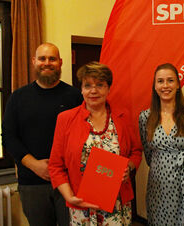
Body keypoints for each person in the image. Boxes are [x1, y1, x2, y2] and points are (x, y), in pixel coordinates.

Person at [48, 61, 142, 225]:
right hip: (81, 203)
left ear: (108, 88)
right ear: (81, 89)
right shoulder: (66, 119)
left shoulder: (122, 116)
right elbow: (55, 166)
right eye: (88, 85)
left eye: (100, 85)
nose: (93, 90)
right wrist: (69, 196)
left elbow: (136, 152)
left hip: (117, 203)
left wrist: (129, 167)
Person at [1, 43, 83, 226]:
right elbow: (8, 137)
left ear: (60, 62)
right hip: (32, 183)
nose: (47, 63)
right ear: (34, 62)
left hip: (70, 181)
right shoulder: (18, 98)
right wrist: (35, 165)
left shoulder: (75, 96)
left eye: (52, 59)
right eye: (42, 58)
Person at [139, 63, 184, 225]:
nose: (165, 85)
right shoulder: (145, 117)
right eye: (160, 81)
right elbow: (150, 156)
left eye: (170, 80)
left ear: (178, 84)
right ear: (155, 86)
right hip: (159, 190)